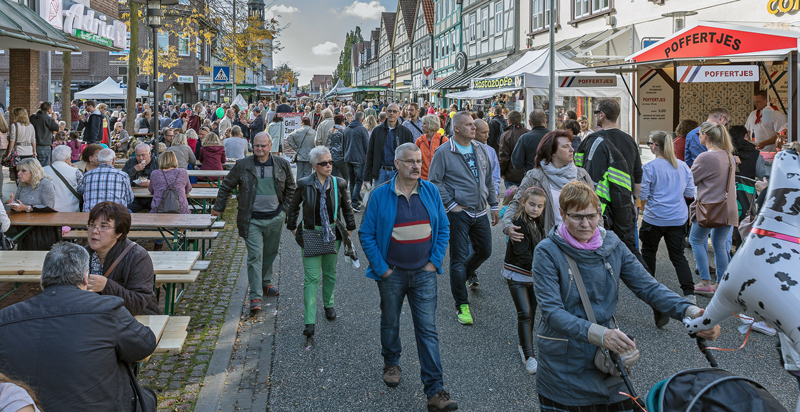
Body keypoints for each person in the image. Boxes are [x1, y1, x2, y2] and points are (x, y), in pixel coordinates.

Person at [531, 181, 719, 411]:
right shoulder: (547, 252)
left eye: (592, 216)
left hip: (607, 358)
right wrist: (602, 335)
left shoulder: (612, 244)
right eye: (577, 217)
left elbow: (648, 287)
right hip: (565, 366)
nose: (586, 224)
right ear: (562, 213)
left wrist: (692, 313)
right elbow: (552, 313)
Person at [0, 242, 157, 412]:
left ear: (42, 279)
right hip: (103, 405)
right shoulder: (106, 309)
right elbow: (145, 345)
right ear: (85, 277)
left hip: (28, 407)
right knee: (147, 397)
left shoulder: (5, 318)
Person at [358, 143, 457, 412]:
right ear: (397, 163)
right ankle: (391, 362)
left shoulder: (431, 191)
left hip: (424, 272)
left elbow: (444, 228)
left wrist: (434, 261)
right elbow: (366, 233)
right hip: (392, 273)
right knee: (390, 321)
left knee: (427, 329)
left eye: (419, 161)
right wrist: (383, 269)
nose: (416, 166)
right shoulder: (380, 195)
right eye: (410, 161)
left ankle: (435, 390)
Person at [428, 111, 499, 325]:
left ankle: (464, 276)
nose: (473, 128)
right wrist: (451, 205)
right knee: (457, 259)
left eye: (473, 125)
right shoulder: (443, 152)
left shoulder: (480, 149)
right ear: (456, 128)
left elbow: (488, 179)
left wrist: (494, 205)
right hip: (459, 213)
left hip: (480, 211)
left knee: (485, 250)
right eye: (468, 125)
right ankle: (462, 304)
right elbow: (434, 181)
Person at [213, 132, 296, 311]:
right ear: (252, 145)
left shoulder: (282, 164)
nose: (260, 149)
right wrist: (219, 207)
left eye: (263, 146)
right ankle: (255, 296)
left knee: (270, 252)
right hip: (251, 219)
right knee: (255, 256)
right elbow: (226, 185)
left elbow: (291, 187)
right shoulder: (243, 165)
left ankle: (266, 282)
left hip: (275, 217)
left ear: (270, 146)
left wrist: (284, 211)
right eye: (257, 145)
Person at [285, 145, 356, 337]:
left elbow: (347, 207)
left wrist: (350, 228)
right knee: (312, 278)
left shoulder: (339, 183)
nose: (329, 166)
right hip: (310, 233)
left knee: (330, 273)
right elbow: (293, 206)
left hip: (333, 234)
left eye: (330, 162)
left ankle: (329, 304)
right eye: (324, 163)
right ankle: (310, 321)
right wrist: (291, 226)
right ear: (314, 165)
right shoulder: (304, 183)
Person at [574, 98, 642, 258]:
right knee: (630, 251)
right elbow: (638, 175)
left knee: (599, 250)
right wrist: (635, 203)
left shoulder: (592, 140)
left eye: (596, 112)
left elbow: (580, 172)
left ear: (602, 115)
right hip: (624, 205)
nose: (595, 115)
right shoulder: (630, 140)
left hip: (600, 207)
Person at [640, 131, 698, 314]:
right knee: (678, 255)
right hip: (677, 217)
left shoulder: (649, 168)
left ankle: (650, 290)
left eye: (650, 143)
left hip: (654, 218)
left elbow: (642, 195)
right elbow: (690, 192)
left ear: (655, 146)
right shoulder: (682, 167)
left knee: (649, 252)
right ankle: (689, 293)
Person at [504, 130, 594, 241]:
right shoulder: (534, 176)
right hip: (549, 241)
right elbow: (516, 203)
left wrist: (595, 235)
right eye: (566, 147)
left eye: (570, 146)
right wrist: (507, 225)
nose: (572, 149)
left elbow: (596, 208)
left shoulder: (582, 175)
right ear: (552, 152)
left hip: (580, 241)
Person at [84, 202, 159, 315]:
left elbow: (138, 303)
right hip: (96, 320)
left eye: (104, 226)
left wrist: (106, 286)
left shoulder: (137, 257)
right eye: (92, 225)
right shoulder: (82, 255)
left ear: (119, 232)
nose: (95, 231)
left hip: (133, 322)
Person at [689, 122, 738, 296]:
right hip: (727, 208)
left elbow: (690, 180)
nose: (698, 137)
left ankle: (705, 282)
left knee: (695, 240)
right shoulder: (728, 155)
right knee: (719, 244)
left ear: (705, 136)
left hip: (709, 208)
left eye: (698, 134)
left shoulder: (705, 157)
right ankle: (721, 284)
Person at [502, 186, 547, 375]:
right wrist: (544, 271)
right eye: (531, 205)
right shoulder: (519, 222)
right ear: (523, 203)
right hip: (518, 275)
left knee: (532, 312)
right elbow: (523, 256)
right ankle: (529, 355)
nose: (535, 209)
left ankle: (524, 344)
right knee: (525, 313)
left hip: (533, 277)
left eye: (539, 206)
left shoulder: (538, 221)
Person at [5, 158, 59, 250]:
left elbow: (49, 206)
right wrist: (12, 203)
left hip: (41, 230)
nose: (18, 173)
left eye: (23, 171)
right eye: (18, 170)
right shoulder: (22, 184)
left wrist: (27, 208)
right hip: (23, 225)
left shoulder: (45, 183)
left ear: (34, 172)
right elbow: (18, 202)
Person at [364, 103, 414, 185]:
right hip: (380, 173)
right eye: (390, 111)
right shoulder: (377, 131)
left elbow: (410, 156)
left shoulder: (405, 133)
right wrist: (366, 177)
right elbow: (370, 154)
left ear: (399, 113)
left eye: (395, 111)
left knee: (396, 197)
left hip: (397, 172)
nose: (392, 113)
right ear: (386, 113)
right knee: (380, 197)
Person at [148, 151, 191, 215]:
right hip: (180, 210)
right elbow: (188, 190)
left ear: (160, 160)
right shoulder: (183, 172)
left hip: (158, 210)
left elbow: (151, 190)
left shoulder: (155, 173)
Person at [43, 145, 83, 213]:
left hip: (49, 210)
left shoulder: (42, 170)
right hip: (71, 210)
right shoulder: (75, 171)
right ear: (67, 159)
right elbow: (81, 190)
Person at [343, 111, 370, 212]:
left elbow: (343, 144)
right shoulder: (362, 129)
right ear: (362, 120)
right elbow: (367, 146)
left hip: (348, 157)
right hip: (359, 159)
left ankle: (355, 198)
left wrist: (344, 155)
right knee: (359, 181)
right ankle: (354, 202)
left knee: (352, 180)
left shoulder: (347, 129)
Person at [498, 111, 529, 188]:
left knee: (511, 198)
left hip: (511, 175)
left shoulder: (506, 135)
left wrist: (501, 173)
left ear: (509, 121)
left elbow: (504, 157)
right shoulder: (528, 133)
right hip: (527, 174)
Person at [5, 108, 36, 181]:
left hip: (18, 152)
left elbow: (12, 140)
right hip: (29, 151)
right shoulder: (31, 126)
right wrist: (34, 151)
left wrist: (9, 152)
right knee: (28, 173)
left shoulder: (14, 126)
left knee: (18, 174)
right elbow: (33, 140)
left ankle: (20, 189)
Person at [415, 114, 448, 181]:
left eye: (424, 124)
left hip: (439, 178)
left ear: (431, 124)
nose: (422, 125)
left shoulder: (443, 140)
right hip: (422, 178)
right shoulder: (419, 140)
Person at [474, 119, 501, 195]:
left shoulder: (491, 151)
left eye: (488, 132)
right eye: (483, 132)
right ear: (474, 132)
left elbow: (495, 174)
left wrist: (495, 192)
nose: (487, 136)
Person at [29, 102, 59, 166]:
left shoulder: (32, 118)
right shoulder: (49, 119)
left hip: (32, 146)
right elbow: (57, 128)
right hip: (44, 146)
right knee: (44, 168)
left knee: (34, 168)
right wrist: (54, 119)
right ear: (49, 110)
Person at [326, 114, 349, 181]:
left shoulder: (330, 130)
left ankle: (335, 191)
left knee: (333, 178)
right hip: (341, 158)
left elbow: (327, 143)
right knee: (345, 178)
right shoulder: (343, 131)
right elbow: (345, 145)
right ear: (342, 121)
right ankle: (343, 190)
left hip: (331, 158)